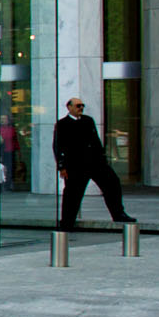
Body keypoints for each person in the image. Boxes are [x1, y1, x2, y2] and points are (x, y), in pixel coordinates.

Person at [52, 96, 127, 228]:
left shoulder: (88, 121)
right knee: (72, 194)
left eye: (82, 105)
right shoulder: (62, 124)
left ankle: (118, 214)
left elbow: (96, 141)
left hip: (95, 163)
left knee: (112, 183)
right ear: (69, 107)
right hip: (75, 165)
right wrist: (62, 166)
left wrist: (102, 159)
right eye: (78, 106)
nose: (81, 108)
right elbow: (58, 146)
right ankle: (67, 222)